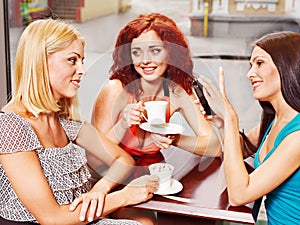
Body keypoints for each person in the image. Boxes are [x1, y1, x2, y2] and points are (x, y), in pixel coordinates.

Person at [0, 18, 159, 225]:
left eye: (82, 61)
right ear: (40, 61)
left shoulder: (64, 121)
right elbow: (52, 218)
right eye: (72, 60)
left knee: (145, 219)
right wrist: (123, 196)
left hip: (77, 219)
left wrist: (99, 191)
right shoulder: (11, 126)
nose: (82, 70)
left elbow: (123, 159)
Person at [91, 13, 222, 174]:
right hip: (108, 175)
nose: (145, 60)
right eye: (137, 52)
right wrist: (123, 123)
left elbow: (214, 147)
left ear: (170, 53)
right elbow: (94, 161)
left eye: (154, 51)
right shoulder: (115, 90)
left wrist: (174, 138)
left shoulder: (176, 91)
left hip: (149, 172)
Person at [199, 31, 300, 225]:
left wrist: (231, 118)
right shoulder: (276, 119)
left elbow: (239, 195)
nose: (250, 73)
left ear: (286, 66)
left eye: (259, 63)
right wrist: (222, 124)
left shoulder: (297, 136)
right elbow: (241, 148)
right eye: (251, 65)